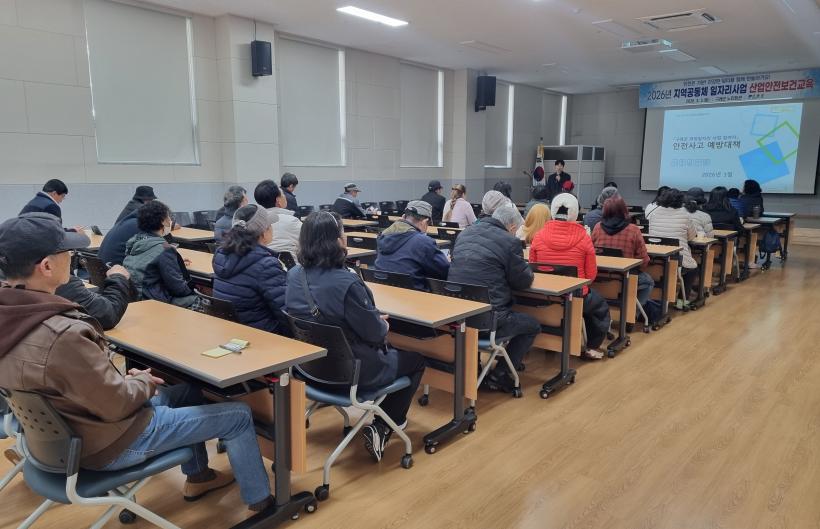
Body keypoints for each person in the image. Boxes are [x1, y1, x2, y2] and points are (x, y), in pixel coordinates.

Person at [0, 213, 276, 512]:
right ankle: (262, 503)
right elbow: (117, 404)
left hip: (67, 437)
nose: (72, 257)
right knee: (238, 415)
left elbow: (78, 388)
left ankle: (199, 476)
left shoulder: (13, 322)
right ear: (46, 266)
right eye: (67, 251)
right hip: (111, 442)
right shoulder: (63, 334)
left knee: (188, 392)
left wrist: (123, 383)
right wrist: (141, 382)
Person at [285, 212, 426, 462]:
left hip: (310, 370)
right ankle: (385, 425)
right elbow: (374, 333)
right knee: (415, 360)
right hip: (352, 373)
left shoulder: (294, 275)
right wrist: (381, 323)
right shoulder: (347, 282)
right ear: (337, 240)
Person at [448, 204, 539, 386]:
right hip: (489, 321)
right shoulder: (510, 242)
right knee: (532, 325)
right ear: (512, 227)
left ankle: (474, 369)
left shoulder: (465, 233)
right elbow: (522, 281)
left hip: (458, 317)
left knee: (476, 300)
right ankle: (501, 374)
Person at [529, 193, 611, 359]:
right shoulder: (584, 238)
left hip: (544, 294)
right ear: (575, 213)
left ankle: (549, 343)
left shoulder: (538, 235)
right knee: (600, 307)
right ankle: (592, 347)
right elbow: (590, 276)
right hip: (575, 295)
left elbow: (533, 266)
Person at [213, 205, 289, 335]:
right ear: (263, 232)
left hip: (231, 330)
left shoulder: (222, 255)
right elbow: (284, 311)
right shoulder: (266, 265)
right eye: (270, 225)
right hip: (262, 333)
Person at [123, 201, 198, 308]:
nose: (170, 220)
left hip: (134, 298)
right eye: (169, 217)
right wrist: (195, 291)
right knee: (200, 300)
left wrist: (175, 262)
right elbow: (178, 288)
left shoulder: (134, 241)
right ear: (163, 221)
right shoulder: (164, 249)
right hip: (153, 302)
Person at [591, 196, 655, 312]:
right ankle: (633, 312)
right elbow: (644, 260)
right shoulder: (633, 230)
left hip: (599, 277)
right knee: (649, 281)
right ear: (624, 210)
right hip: (624, 277)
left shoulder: (597, 227)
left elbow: (591, 251)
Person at [375, 200, 450, 290]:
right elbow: (444, 272)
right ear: (424, 222)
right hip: (414, 295)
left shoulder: (383, 235)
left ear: (403, 217)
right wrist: (446, 261)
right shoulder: (423, 242)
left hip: (383, 292)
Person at [647, 188, 698, 302]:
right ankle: (681, 300)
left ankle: (655, 297)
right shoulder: (685, 215)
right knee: (692, 268)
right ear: (681, 200)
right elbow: (691, 237)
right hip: (676, 259)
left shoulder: (654, 213)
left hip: (656, 257)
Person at [54, 265, 131, 331]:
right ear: (48, 265)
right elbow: (108, 316)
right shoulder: (59, 281)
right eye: (67, 253)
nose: (70, 256)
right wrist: (118, 277)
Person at [254, 179, 302, 260]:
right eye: (283, 194)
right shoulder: (292, 221)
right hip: (289, 266)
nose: (285, 197)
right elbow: (307, 245)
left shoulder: (255, 222)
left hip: (262, 264)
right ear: (278, 200)